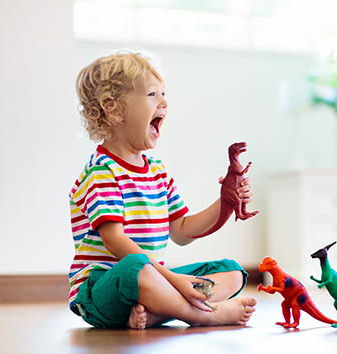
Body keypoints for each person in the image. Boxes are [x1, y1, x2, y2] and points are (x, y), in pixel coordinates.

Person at [68, 49, 257, 329]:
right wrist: (173, 279)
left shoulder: (157, 170)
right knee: (136, 268)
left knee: (231, 271)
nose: (165, 102)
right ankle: (203, 314)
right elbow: (115, 242)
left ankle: (158, 311)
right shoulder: (102, 171)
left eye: (164, 94)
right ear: (114, 108)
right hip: (100, 292)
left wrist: (224, 202)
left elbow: (181, 231)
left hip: (153, 281)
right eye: (152, 94)